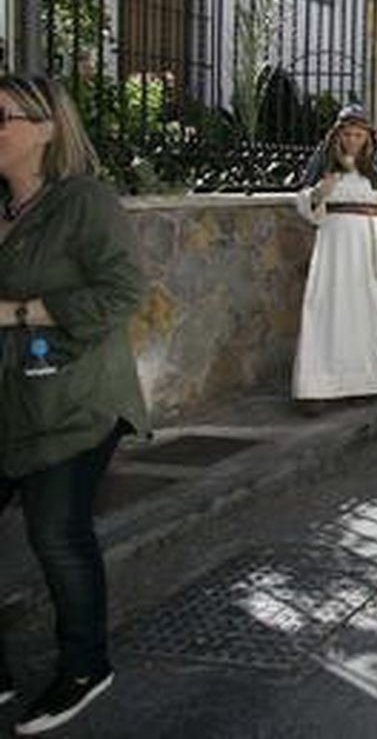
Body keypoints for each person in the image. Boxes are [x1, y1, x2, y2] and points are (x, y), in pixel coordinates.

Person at [0, 76, 147, 735]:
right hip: (12, 400)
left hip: (77, 397)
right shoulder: (5, 205)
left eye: (1, 116)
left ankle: (85, 666)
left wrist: (20, 311)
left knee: (55, 532)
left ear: (47, 128)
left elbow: (124, 292)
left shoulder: (84, 201)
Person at [292, 105, 377, 404]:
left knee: (366, 312)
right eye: (347, 134)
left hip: (369, 247)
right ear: (338, 135)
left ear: (368, 136)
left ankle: (364, 383)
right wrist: (320, 192)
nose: (353, 140)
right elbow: (303, 202)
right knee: (327, 311)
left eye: (359, 134)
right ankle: (318, 387)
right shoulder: (325, 164)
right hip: (334, 245)